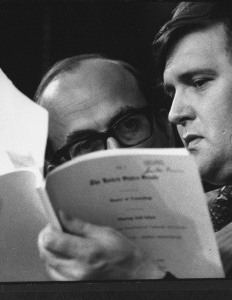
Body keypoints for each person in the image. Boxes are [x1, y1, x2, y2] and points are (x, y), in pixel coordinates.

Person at [38, 2, 232, 279]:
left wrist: (141, 278)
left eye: (198, 83)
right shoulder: (192, 211)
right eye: (171, 93)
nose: (174, 114)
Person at [35, 54, 175, 280]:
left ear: (167, 131)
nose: (115, 152)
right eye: (86, 145)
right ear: (57, 177)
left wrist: (141, 274)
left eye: (129, 125)